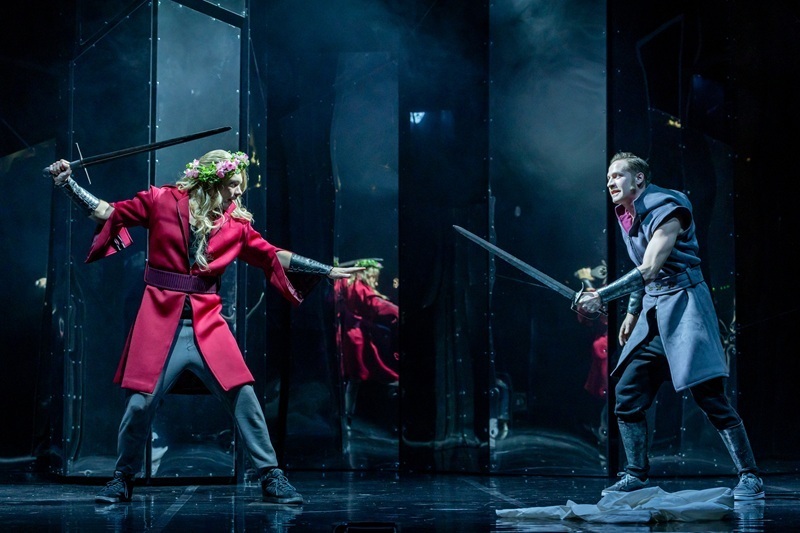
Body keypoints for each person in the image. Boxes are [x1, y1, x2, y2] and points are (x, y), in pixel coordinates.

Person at [47, 150, 362, 505]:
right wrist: (68, 184)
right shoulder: (162, 201)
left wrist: (325, 269)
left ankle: (271, 475)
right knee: (138, 405)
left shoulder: (236, 225)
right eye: (233, 185)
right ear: (212, 182)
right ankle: (122, 478)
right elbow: (108, 213)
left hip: (207, 323)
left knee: (244, 397)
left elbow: (272, 254)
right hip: (159, 321)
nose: (239, 193)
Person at [576, 152, 764, 501]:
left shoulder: (667, 208)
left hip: (685, 306)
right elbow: (643, 267)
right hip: (653, 312)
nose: (611, 182)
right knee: (627, 392)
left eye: (618, 176)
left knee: (710, 397)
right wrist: (633, 312)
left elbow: (650, 267)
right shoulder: (629, 214)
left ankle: (749, 475)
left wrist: (600, 295)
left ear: (639, 179)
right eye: (608, 177)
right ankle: (635, 474)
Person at [333, 259, 399, 428]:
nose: (375, 282)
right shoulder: (358, 287)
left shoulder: (344, 284)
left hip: (349, 335)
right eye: (374, 277)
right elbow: (375, 304)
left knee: (352, 379)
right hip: (356, 338)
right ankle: (346, 416)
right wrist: (397, 311)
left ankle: (345, 416)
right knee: (360, 375)